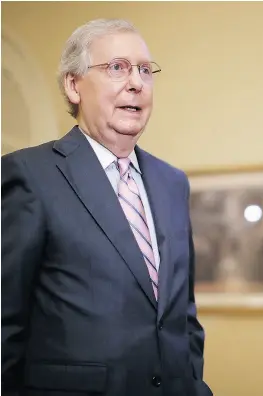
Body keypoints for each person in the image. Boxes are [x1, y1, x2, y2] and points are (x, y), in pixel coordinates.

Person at [2, 19, 212, 396]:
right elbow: (5, 323)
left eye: (145, 70)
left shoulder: (172, 183)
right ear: (73, 85)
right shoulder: (29, 175)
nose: (136, 82)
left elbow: (183, 316)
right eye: (117, 67)